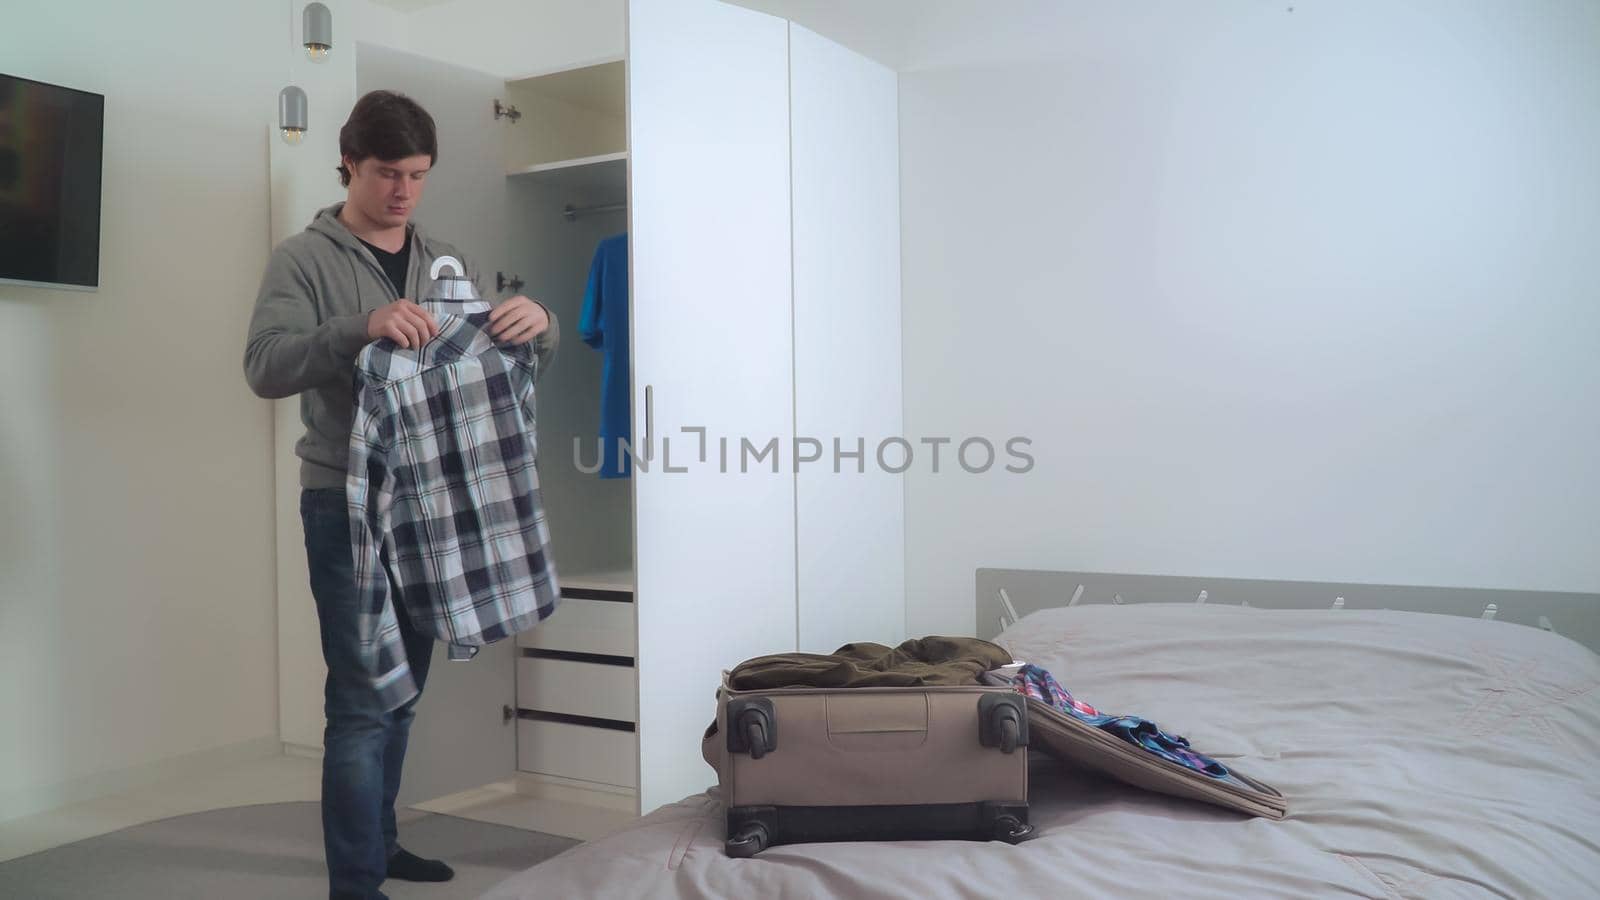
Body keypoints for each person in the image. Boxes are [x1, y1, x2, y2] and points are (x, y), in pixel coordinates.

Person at [243, 90, 558, 900]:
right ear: (349, 161)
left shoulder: (444, 257)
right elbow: (265, 366)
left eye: (418, 175)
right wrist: (363, 326)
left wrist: (536, 326)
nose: (404, 192)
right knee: (360, 699)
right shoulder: (302, 259)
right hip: (343, 502)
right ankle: (354, 883)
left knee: (403, 692)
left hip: (434, 502)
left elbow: (487, 371)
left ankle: (380, 846)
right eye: (388, 173)